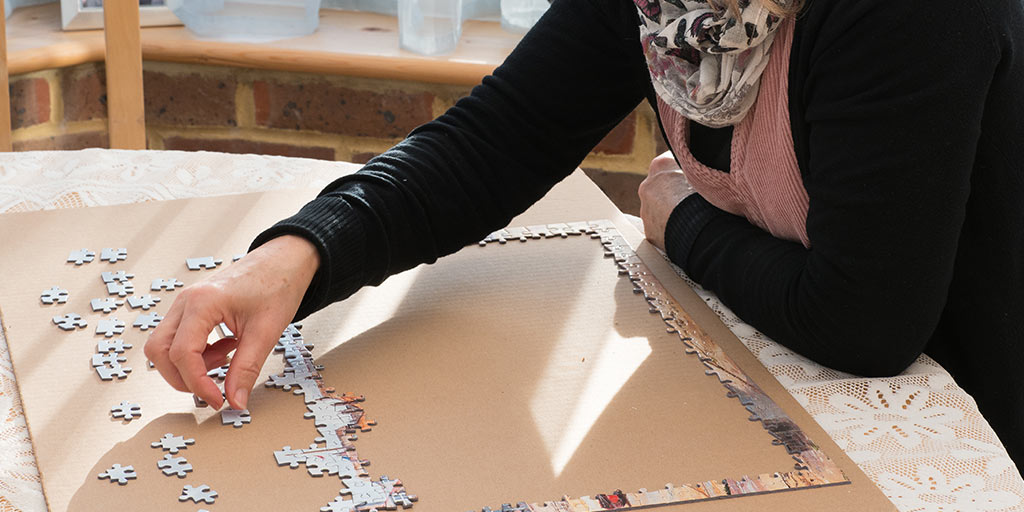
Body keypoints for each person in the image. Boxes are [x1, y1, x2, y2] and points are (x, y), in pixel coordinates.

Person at [144, 0, 1024, 467]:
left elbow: (865, 324)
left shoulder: (917, 13)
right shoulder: (664, 6)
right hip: (781, 378)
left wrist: (678, 220)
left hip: (976, 409)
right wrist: (295, 255)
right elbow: (499, 139)